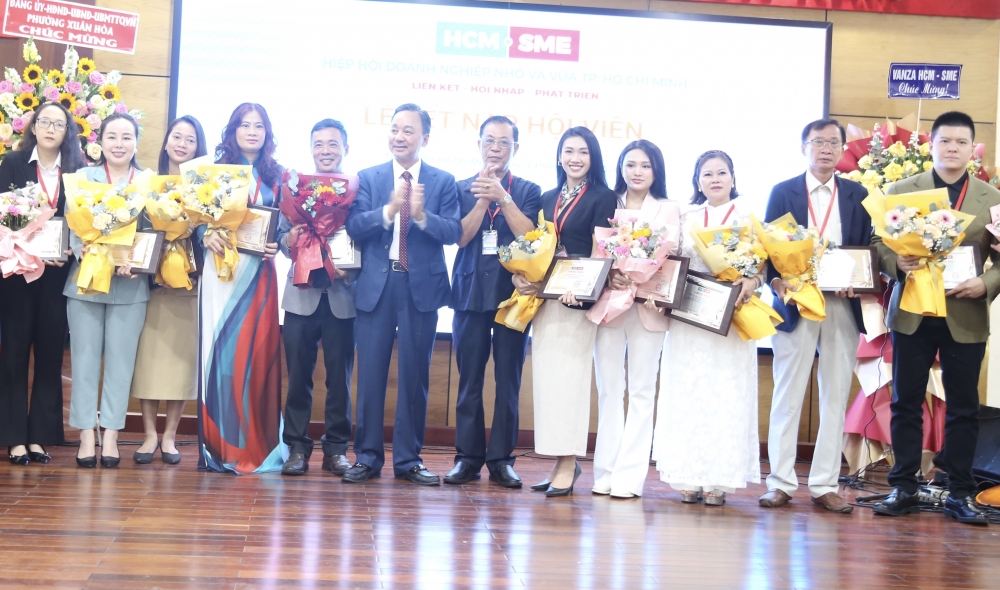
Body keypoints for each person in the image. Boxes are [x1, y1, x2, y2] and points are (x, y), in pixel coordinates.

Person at [872, 111, 1000, 525]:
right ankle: (904, 486)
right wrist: (896, 262)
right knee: (906, 401)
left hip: (965, 311)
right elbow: (878, 241)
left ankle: (960, 493)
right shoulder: (902, 189)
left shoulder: (992, 198)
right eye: (945, 141)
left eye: (961, 142)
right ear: (932, 145)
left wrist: (987, 283)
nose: (952, 148)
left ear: (973, 149)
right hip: (913, 310)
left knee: (964, 407)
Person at [343, 103, 461, 485]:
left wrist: (422, 216)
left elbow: (454, 232)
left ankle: (409, 460)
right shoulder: (369, 177)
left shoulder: (442, 181)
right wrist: (390, 209)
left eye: (408, 131)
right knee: (370, 376)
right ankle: (367, 457)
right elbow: (355, 226)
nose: (399, 136)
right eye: (394, 129)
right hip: (376, 287)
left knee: (415, 377)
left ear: (425, 138)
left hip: (419, 288)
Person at [760, 119, 871, 514]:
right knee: (787, 393)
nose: (826, 149)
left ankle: (825, 484)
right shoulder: (783, 191)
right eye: (818, 142)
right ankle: (780, 482)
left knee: (836, 394)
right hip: (796, 303)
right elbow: (768, 248)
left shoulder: (858, 193)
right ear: (804, 147)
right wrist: (777, 282)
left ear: (842, 149)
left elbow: (866, 248)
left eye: (833, 143)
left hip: (841, 304)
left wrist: (859, 282)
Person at [651, 150, 762, 505]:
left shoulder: (749, 215)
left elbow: (764, 266)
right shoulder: (687, 216)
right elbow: (670, 262)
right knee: (688, 391)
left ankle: (719, 481)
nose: (715, 179)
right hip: (690, 317)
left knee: (727, 393)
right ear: (697, 182)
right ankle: (688, 474)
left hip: (732, 317)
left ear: (733, 177)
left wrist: (752, 281)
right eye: (707, 174)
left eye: (721, 172)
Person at [513, 126, 616, 497]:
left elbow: (602, 252)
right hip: (547, 300)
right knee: (549, 384)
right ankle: (560, 460)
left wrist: (584, 293)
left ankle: (568, 462)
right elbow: (537, 246)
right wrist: (524, 276)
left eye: (583, 152)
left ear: (593, 158)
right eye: (569, 151)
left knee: (570, 383)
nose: (575, 158)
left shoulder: (604, 197)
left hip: (577, 301)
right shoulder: (547, 197)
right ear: (559, 156)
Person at [445, 116, 541, 489]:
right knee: (469, 379)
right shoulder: (460, 188)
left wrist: (503, 197)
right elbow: (462, 237)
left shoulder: (529, 189)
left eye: (504, 142)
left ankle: (501, 460)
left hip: (513, 296)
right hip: (469, 292)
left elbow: (530, 236)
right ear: (479, 145)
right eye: (489, 141)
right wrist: (483, 199)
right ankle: (467, 458)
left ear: (515, 148)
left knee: (508, 380)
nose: (496, 148)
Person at [198, 103, 284, 474]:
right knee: (220, 355)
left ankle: (257, 446)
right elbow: (194, 220)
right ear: (232, 130)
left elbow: (284, 225)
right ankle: (219, 447)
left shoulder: (278, 176)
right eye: (245, 125)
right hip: (220, 271)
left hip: (259, 273)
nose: (252, 131)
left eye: (259, 126)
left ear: (267, 133)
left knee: (256, 356)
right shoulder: (213, 172)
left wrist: (277, 242)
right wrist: (205, 234)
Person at [592, 140, 679, 498]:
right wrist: (610, 274)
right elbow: (595, 252)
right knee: (610, 390)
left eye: (645, 165)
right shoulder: (606, 202)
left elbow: (673, 256)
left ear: (656, 170)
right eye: (630, 165)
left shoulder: (669, 208)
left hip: (650, 308)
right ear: (621, 168)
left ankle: (629, 478)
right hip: (610, 306)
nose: (637, 172)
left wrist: (644, 278)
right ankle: (605, 471)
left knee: (643, 393)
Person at [0, 102, 86, 465]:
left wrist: (70, 249)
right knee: (15, 354)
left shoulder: (78, 172)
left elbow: (83, 222)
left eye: (59, 124)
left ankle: (40, 436)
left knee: (51, 354)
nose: (51, 128)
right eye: (44, 122)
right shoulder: (13, 163)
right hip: (19, 273)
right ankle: (13, 437)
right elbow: (4, 218)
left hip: (58, 275)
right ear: (33, 127)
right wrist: (33, 248)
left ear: (68, 133)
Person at [65, 112, 149, 468]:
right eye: (112, 136)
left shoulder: (146, 181)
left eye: (127, 137)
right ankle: (87, 434)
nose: (119, 144)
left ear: (136, 143)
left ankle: (111, 434)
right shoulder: (84, 178)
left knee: (120, 364)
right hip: (86, 282)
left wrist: (138, 261)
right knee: (84, 361)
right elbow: (72, 224)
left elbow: (154, 230)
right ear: (99, 142)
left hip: (130, 285)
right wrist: (83, 248)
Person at [278, 118, 356, 477]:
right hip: (301, 297)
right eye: (319, 144)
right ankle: (296, 448)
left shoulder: (356, 190)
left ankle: (336, 450)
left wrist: (351, 268)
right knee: (298, 379)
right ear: (311, 148)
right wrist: (290, 239)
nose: (326, 151)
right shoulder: (294, 189)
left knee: (339, 381)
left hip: (342, 297)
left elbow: (364, 239)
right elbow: (280, 239)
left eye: (333, 144)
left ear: (345, 149)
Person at [130, 115, 208, 465]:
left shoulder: (206, 187)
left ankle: (170, 437)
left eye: (190, 139)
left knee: (179, 362)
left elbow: (210, 232)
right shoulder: (146, 183)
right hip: (151, 284)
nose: (182, 144)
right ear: (165, 142)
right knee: (150, 362)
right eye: (177, 136)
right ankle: (149, 435)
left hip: (188, 283)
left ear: (198, 147)